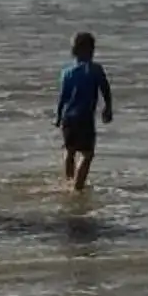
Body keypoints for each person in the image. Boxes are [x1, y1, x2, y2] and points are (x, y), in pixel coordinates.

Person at [57, 32, 115, 190]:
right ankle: (77, 187)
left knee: (69, 151)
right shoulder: (95, 69)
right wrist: (108, 107)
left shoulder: (66, 72)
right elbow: (105, 88)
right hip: (85, 118)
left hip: (68, 117)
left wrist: (58, 116)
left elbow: (63, 97)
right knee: (87, 155)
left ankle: (68, 182)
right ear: (89, 50)